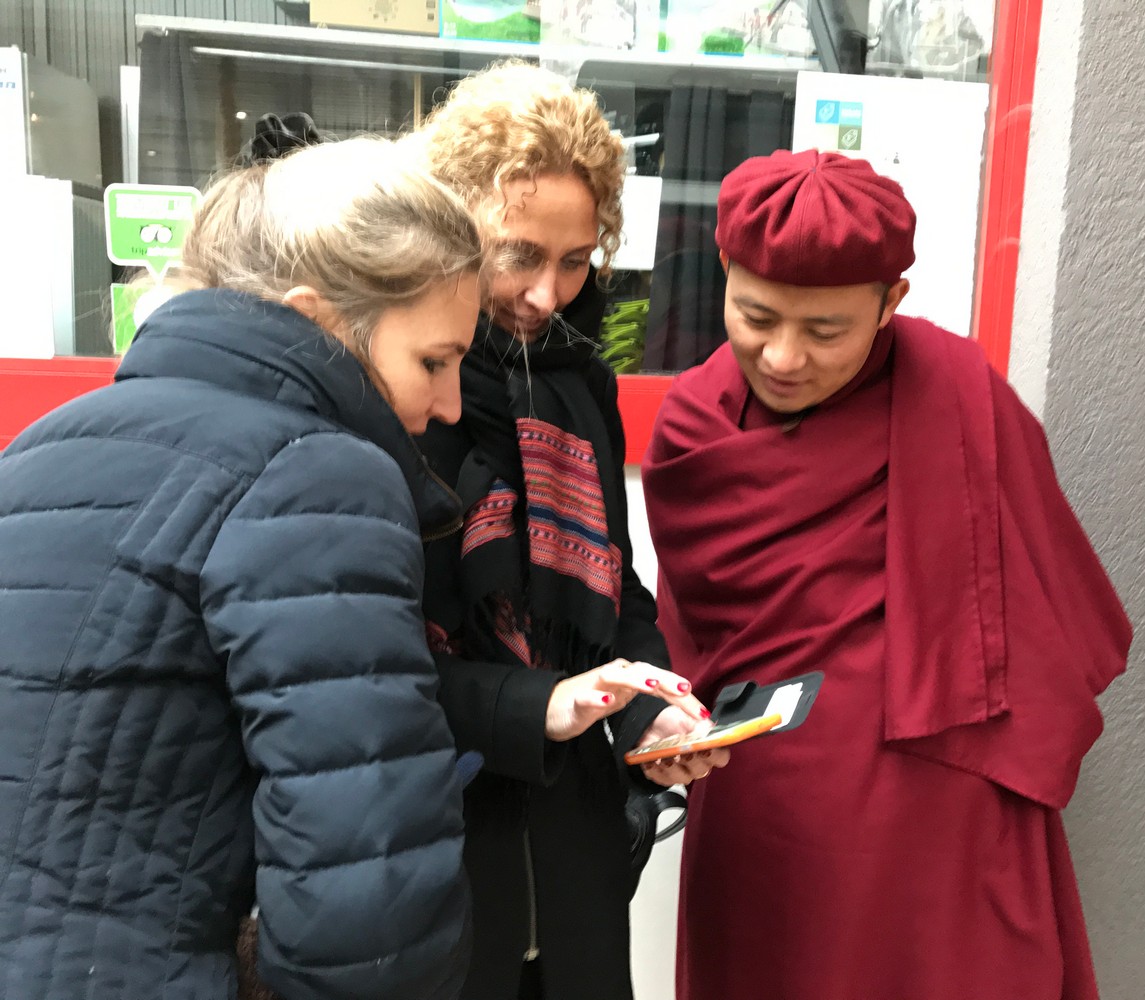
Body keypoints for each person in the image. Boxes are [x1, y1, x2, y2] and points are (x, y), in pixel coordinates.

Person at [641, 149, 1133, 1000]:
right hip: (763, 807)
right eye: (755, 316)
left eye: (825, 331)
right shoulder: (694, 425)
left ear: (890, 301)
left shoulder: (960, 396)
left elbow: (1055, 616)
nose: (783, 356)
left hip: (937, 811)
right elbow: (693, 640)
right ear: (723, 269)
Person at [0, 137, 484, 1000]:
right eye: (433, 361)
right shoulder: (317, 471)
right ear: (320, 322)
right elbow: (370, 922)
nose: (446, 404)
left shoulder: (37, 448)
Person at [412, 61, 719, 1000]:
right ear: (449, 224)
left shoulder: (582, 384)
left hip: (577, 852)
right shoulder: (399, 388)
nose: (546, 294)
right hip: (443, 844)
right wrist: (534, 704)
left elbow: (616, 589)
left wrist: (647, 711)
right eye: (518, 255)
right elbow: (362, 656)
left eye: (577, 259)